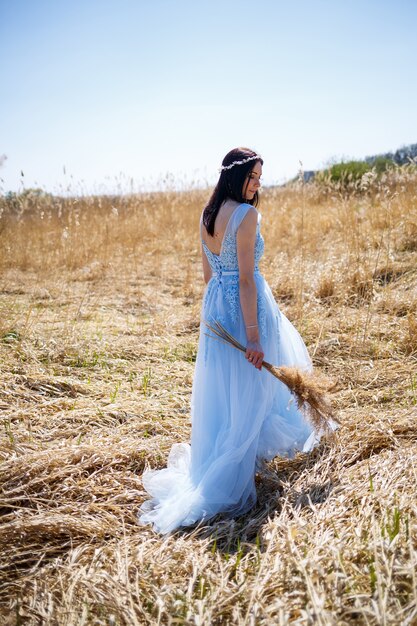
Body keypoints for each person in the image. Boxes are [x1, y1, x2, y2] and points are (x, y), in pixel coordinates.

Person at [139, 147, 324, 535]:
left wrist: (218, 318)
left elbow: (210, 277)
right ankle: (235, 472)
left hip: (216, 312)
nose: (258, 183)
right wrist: (252, 337)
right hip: (246, 310)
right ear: (235, 175)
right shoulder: (246, 214)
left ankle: (236, 458)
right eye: (253, 176)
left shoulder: (207, 215)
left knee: (228, 390)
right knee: (252, 388)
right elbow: (243, 277)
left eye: (260, 176)